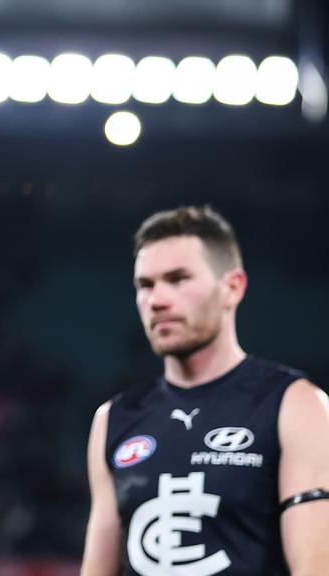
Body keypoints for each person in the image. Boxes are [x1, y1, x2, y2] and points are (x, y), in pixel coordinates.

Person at [80, 206, 329, 575]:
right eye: (145, 285)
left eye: (178, 279)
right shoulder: (113, 419)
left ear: (232, 288)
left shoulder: (295, 405)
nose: (157, 300)